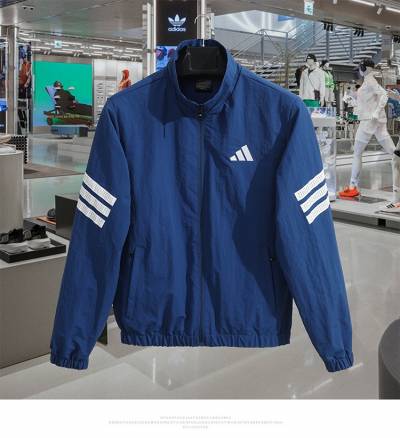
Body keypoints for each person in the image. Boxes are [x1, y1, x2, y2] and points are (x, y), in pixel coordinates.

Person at [339, 58, 400, 210]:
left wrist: (376, 111)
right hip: (375, 121)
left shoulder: (371, 81)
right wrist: (352, 99)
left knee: (357, 153)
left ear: (364, 68)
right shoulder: (368, 81)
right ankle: (396, 194)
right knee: (395, 155)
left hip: (369, 121)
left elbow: (384, 95)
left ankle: (353, 186)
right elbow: (368, 101)